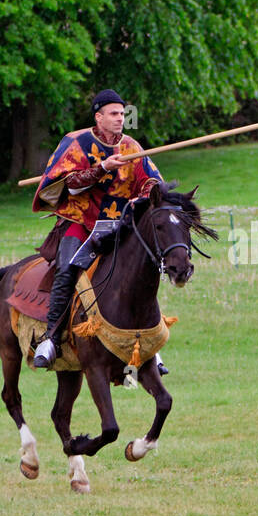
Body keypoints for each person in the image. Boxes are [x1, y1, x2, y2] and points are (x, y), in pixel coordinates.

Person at [31, 89, 164, 369]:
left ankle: (149, 344)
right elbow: (68, 184)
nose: (119, 119)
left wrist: (147, 193)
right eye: (114, 113)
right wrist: (102, 167)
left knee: (140, 267)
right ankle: (51, 338)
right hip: (80, 221)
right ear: (99, 116)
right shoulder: (76, 142)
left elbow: (151, 181)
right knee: (67, 267)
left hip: (118, 224)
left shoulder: (131, 147)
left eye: (122, 114)